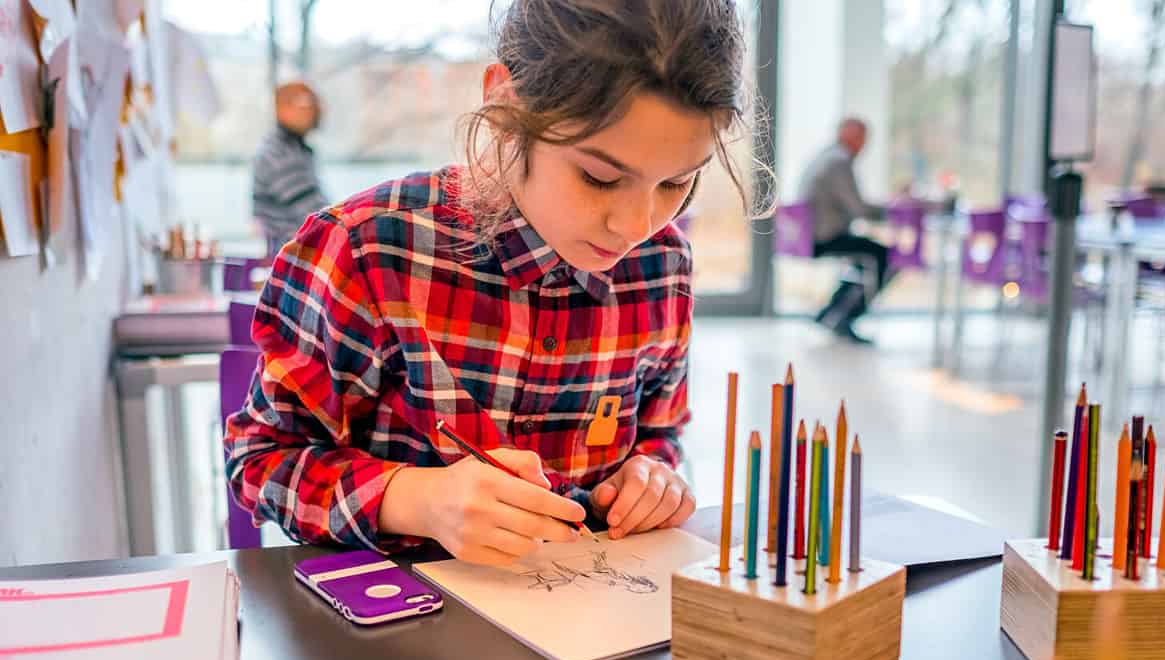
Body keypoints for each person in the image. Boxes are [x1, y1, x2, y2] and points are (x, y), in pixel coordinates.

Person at [225, 0, 769, 566]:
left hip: (597, 620)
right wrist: (417, 500)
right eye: (600, 176)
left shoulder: (664, 266)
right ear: (505, 104)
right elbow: (261, 459)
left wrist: (651, 479)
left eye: (677, 183)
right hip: (398, 628)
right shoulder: (369, 249)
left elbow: (659, 438)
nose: (637, 225)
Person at [798, 118, 890, 345]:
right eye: (863, 138)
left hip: (810, 236)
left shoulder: (825, 156)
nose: (865, 145)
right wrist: (893, 209)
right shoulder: (839, 162)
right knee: (882, 255)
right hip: (824, 238)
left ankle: (831, 312)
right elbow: (858, 208)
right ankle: (846, 317)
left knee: (863, 256)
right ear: (851, 137)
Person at [251, 80, 329, 258]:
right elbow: (318, 217)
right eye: (307, 101)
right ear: (282, 108)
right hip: (292, 260)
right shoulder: (281, 154)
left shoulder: (292, 148)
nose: (317, 108)